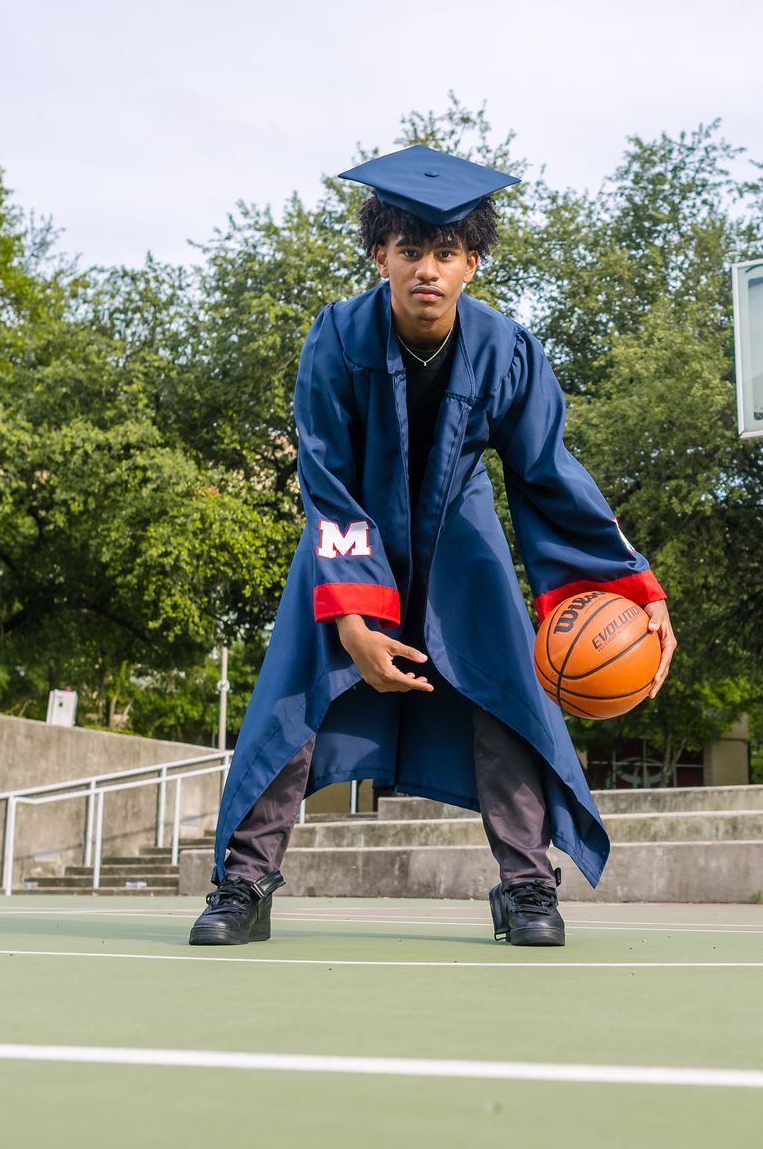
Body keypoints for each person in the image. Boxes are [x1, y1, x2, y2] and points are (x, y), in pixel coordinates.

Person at [189, 145, 675, 949]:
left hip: (461, 531)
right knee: (292, 698)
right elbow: (326, 478)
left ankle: (526, 885)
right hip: (350, 534)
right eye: (410, 250)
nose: (427, 269)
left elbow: (552, 475)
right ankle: (244, 882)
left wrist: (637, 592)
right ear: (380, 255)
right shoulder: (337, 339)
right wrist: (351, 617)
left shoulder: (506, 350)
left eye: (445, 252)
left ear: (471, 263)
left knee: (507, 691)